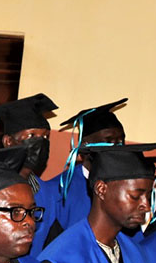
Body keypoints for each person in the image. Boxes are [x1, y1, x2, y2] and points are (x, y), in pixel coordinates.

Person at [37, 99, 129, 249]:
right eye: (109, 141)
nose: (118, 148)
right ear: (85, 146)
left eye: (121, 141)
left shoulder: (125, 190)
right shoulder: (57, 191)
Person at [0, 94, 58, 255]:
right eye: (31, 136)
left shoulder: (46, 192)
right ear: (8, 142)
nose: (40, 143)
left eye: (45, 136)